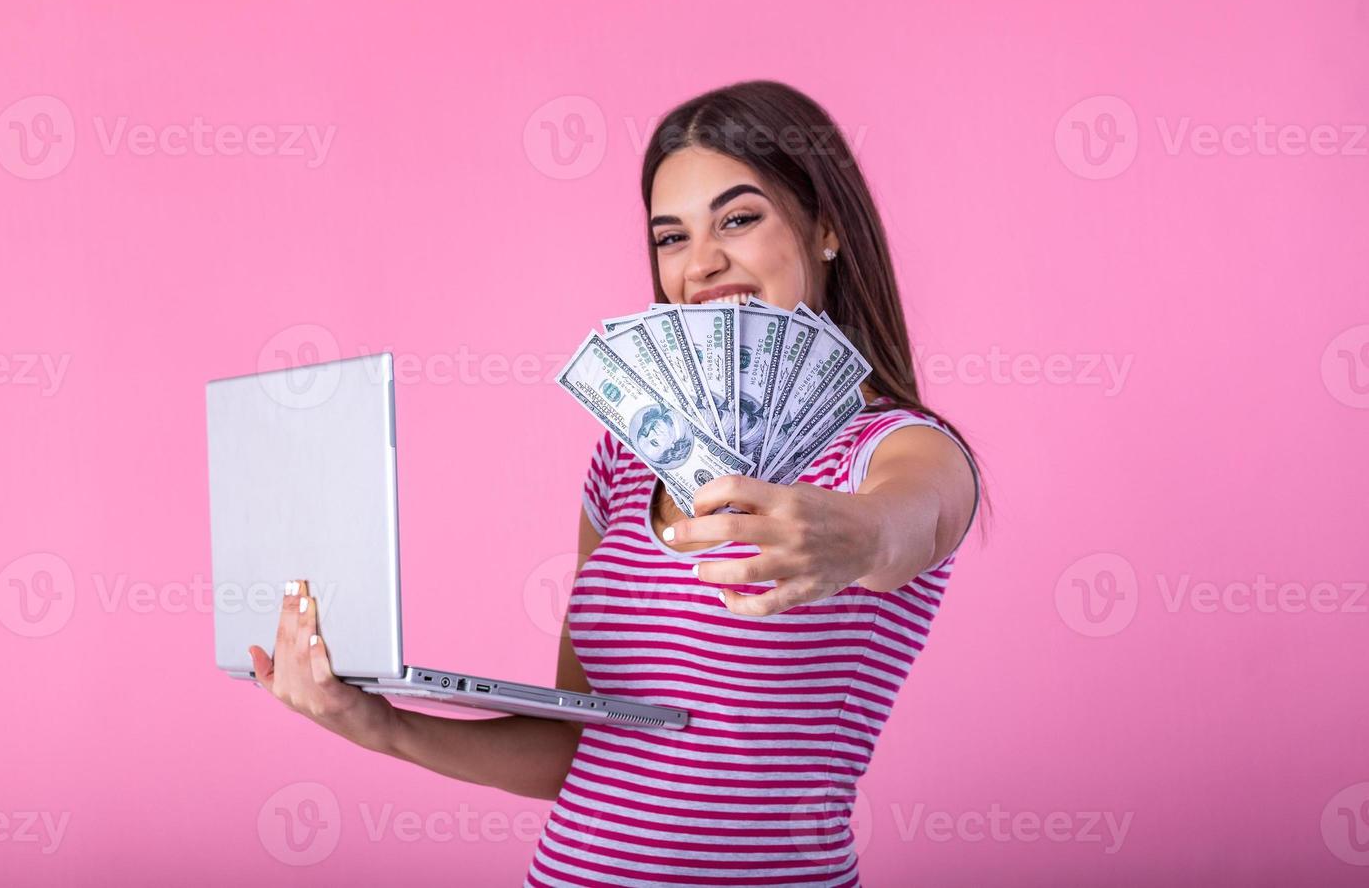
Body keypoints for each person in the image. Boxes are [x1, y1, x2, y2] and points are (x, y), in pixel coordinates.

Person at [250, 80, 987, 887]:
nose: (702, 263)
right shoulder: (627, 455)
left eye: (739, 219)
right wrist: (379, 726)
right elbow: (581, 747)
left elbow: (919, 514)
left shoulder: (892, 449)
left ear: (828, 229)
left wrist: (858, 537)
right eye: (671, 237)